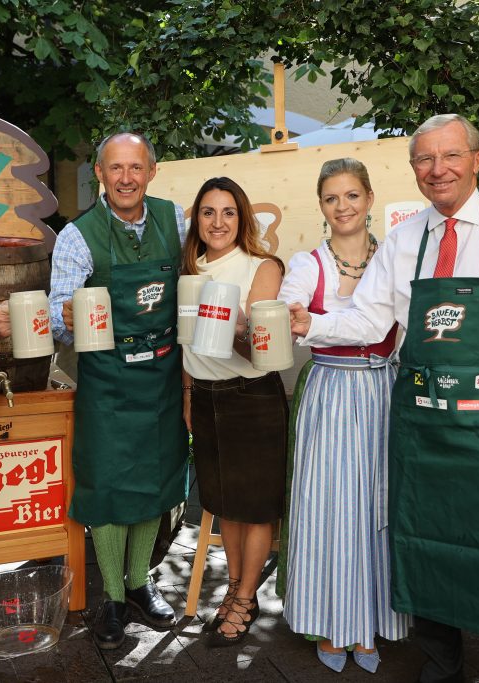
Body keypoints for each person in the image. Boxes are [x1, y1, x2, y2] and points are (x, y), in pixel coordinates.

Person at [289, 114, 479, 683]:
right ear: (413, 171)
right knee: (424, 544)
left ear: (477, 160)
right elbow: (372, 318)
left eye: (449, 156)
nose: (436, 169)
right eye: (424, 159)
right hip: (419, 422)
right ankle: (440, 668)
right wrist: (312, 323)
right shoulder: (403, 240)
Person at [50, 132, 189, 649]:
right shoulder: (77, 235)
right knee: (107, 484)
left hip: (160, 376)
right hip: (106, 380)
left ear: (152, 171)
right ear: (101, 174)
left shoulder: (176, 221)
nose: (126, 178)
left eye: (136, 168)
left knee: (153, 479)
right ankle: (110, 594)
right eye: (115, 169)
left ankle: (139, 582)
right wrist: (62, 316)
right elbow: (57, 319)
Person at [277, 159, 409, 673]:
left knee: (379, 504)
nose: (343, 207)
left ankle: (372, 620)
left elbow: (397, 325)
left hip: (384, 387)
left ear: (370, 199)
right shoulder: (308, 264)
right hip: (331, 387)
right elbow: (289, 320)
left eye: (352, 195)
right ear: (322, 207)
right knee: (330, 507)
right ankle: (332, 623)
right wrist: (322, 325)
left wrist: (321, 321)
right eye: (332, 198)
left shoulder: (394, 257)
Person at [180, 177, 287, 646]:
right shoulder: (188, 270)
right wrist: (187, 393)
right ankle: (234, 591)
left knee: (256, 507)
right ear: (196, 221)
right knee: (226, 506)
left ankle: (244, 597)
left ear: (242, 218)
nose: (218, 222)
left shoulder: (261, 266)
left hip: (251, 397)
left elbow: (260, 352)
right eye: (208, 212)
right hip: (204, 398)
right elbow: (187, 346)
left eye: (228, 212)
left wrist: (235, 325)